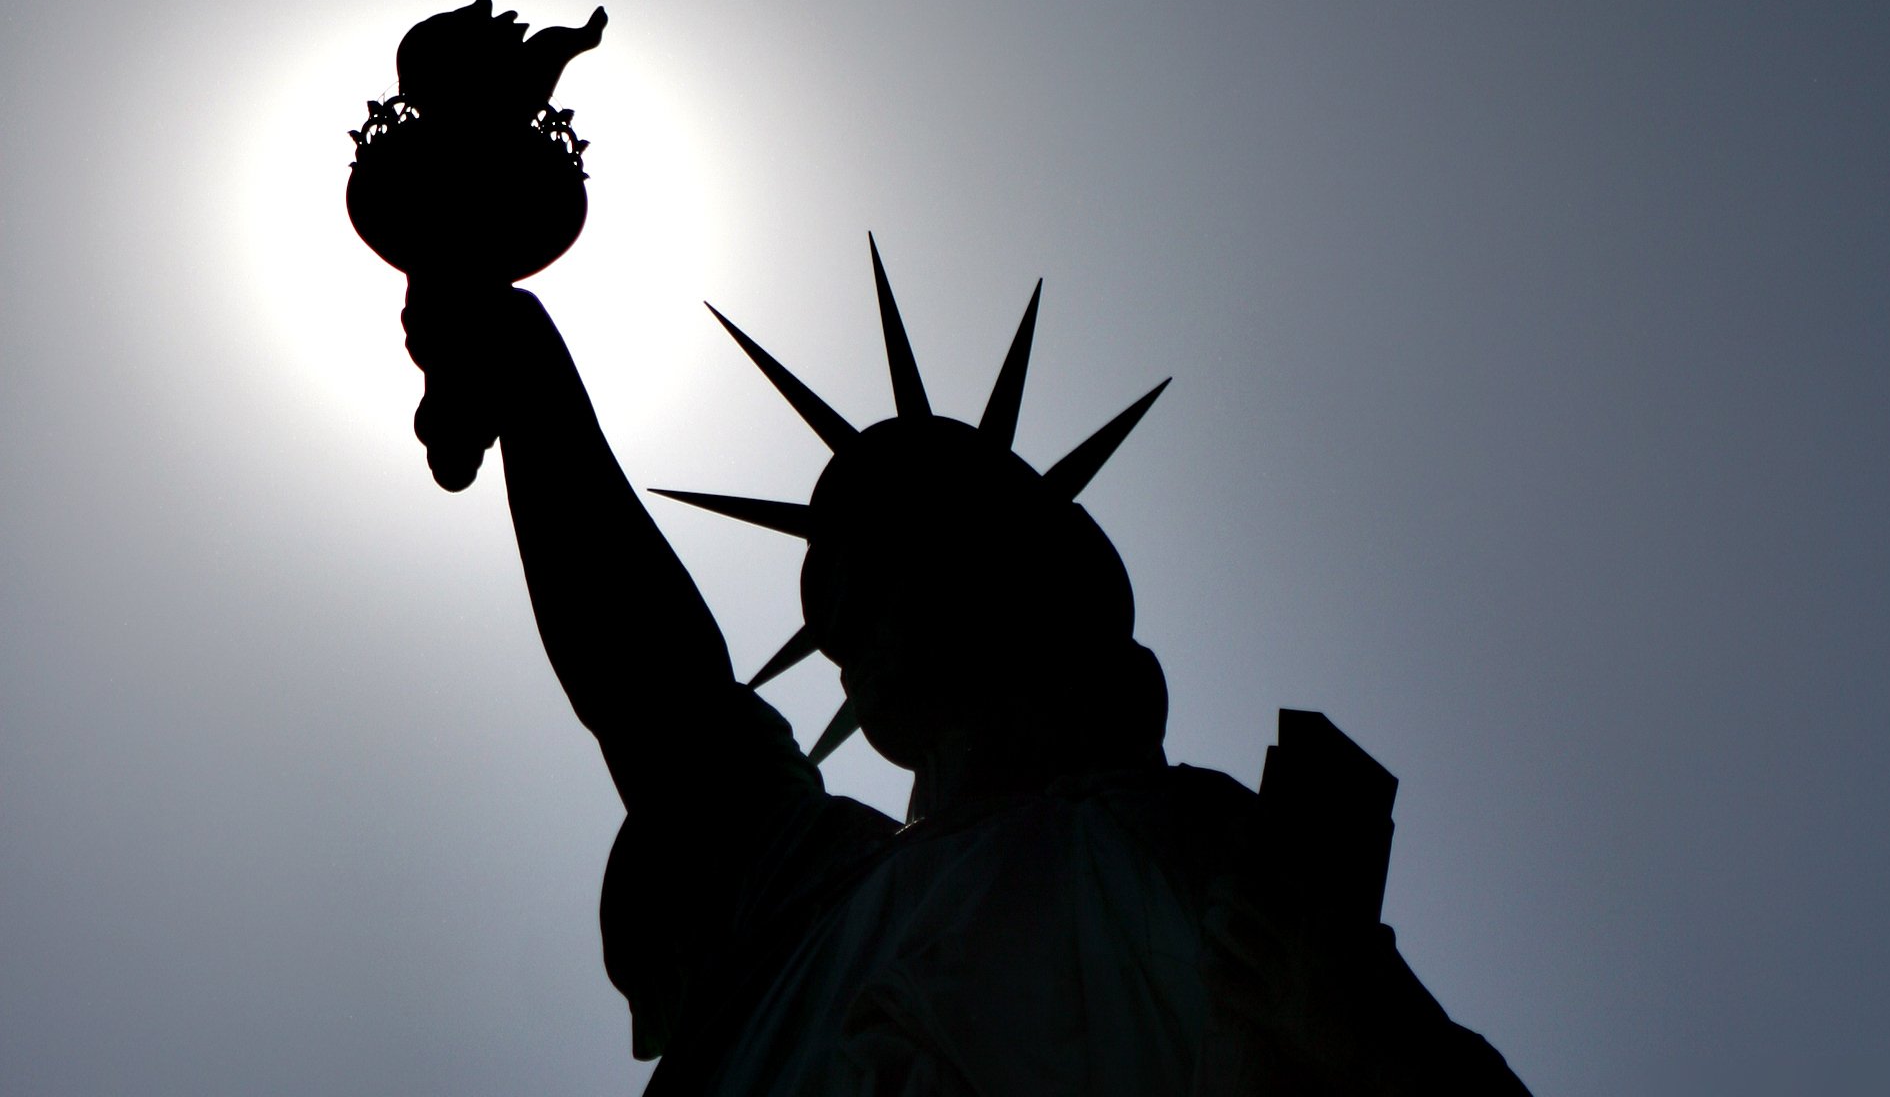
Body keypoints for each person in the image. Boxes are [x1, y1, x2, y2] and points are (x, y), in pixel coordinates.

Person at [397, 241, 1533, 1095]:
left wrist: (1349, 1025)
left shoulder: (1183, 847)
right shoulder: (804, 885)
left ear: (993, 581)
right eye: (833, 610)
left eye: (871, 581)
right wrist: (530, 374)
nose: (840, 639)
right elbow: (655, 683)